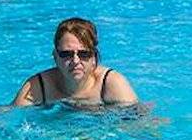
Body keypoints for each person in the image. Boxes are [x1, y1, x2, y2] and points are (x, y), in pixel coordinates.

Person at [10, 17, 139, 108]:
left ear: (94, 57)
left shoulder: (110, 84)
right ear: (55, 56)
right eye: (66, 54)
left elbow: (141, 124)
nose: (75, 61)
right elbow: (7, 120)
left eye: (84, 54)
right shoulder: (38, 87)